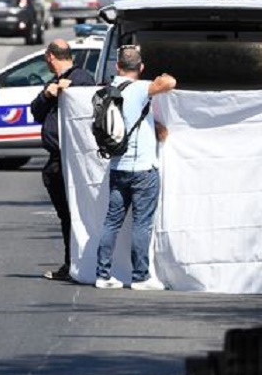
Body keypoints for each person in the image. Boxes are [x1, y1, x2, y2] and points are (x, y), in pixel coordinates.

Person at [94, 46, 176, 290]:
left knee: (111, 222)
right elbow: (170, 82)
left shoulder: (108, 91)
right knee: (142, 223)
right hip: (143, 170)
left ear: (117, 66)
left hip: (118, 166)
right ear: (140, 68)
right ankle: (140, 276)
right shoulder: (141, 88)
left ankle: (103, 274)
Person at [30, 39, 95, 281]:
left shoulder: (81, 78)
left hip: (73, 160)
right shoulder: (53, 83)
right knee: (65, 215)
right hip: (56, 159)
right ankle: (72, 262)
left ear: (50, 57)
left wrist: (71, 89)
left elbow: (88, 103)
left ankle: (77, 264)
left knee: (74, 213)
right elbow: (35, 111)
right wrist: (49, 94)